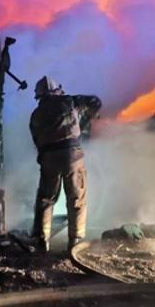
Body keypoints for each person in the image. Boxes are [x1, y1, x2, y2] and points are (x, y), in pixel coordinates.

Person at [29, 76, 101, 253]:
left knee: (46, 199)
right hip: (72, 156)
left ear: (39, 96)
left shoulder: (36, 115)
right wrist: (86, 121)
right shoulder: (70, 101)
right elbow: (95, 102)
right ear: (57, 91)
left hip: (49, 159)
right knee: (76, 197)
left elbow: (37, 141)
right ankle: (75, 241)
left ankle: (41, 240)